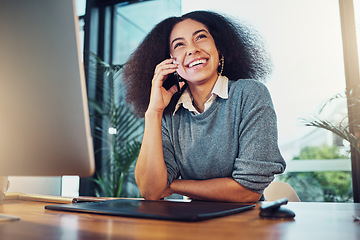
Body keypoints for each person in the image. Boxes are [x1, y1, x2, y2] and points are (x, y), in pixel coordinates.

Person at [122, 10, 285, 202]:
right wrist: (154, 112)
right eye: (179, 45)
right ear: (170, 61)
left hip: (246, 223)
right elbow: (150, 191)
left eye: (200, 37)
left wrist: (172, 185)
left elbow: (248, 191)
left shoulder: (249, 94)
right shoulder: (169, 112)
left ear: (219, 48)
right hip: (192, 223)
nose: (192, 49)